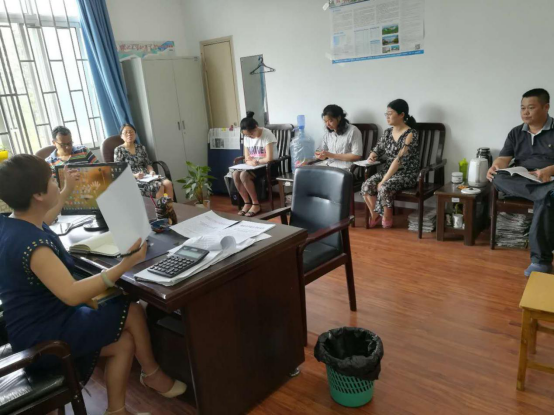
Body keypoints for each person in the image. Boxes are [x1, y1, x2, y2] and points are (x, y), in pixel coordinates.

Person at [0, 155, 187, 416]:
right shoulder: (34, 247)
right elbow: (71, 294)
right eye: (52, 181)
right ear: (38, 195)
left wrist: (66, 190)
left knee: (124, 343)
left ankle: (117, 410)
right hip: (44, 340)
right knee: (131, 309)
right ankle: (153, 374)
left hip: (29, 329)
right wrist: (127, 263)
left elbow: (46, 218)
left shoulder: (14, 224)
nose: (56, 184)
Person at [488, 88, 554, 277]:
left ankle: (540, 262)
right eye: (522, 108)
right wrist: (495, 166)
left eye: (531, 108)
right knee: (497, 177)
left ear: (546, 107)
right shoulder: (516, 132)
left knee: (546, 200)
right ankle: (546, 192)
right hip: (523, 178)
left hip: (548, 177)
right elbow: (504, 158)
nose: (525, 112)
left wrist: (549, 170)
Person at [361, 99, 420, 229]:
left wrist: (383, 180)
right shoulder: (388, 132)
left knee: (384, 187)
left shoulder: (411, 134)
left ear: (401, 115)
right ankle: (375, 215)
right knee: (366, 185)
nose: (387, 116)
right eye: (386, 114)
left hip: (406, 173)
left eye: (390, 113)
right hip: (388, 170)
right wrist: (372, 155)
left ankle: (387, 217)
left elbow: (398, 160)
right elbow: (378, 148)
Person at [232, 112, 278, 217]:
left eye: (251, 134)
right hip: (254, 166)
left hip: (269, 166)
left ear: (256, 127)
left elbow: (269, 158)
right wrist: (250, 162)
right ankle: (247, 203)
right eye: (247, 136)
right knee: (235, 174)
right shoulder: (247, 137)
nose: (250, 137)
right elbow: (247, 157)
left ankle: (256, 204)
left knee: (244, 175)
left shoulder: (267, 134)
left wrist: (256, 162)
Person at [114, 124, 174, 200]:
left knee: (168, 184)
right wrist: (135, 175)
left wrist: (151, 171)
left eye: (131, 132)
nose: (129, 134)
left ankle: (169, 207)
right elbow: (119, 170)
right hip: (131, 178)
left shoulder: (141, 147)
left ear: (135, 134)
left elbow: (147, 163)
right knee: (159, 186)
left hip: (146, 176)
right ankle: (160, 208)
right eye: (126, 132)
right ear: (121, 136)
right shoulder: (119, 150)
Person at [316, 105, 363, 170]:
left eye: (330, 121)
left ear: (339, 118)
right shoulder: (328, 134)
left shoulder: (353, 131)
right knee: (309, 171)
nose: (327, 124)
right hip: (329, 166)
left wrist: (332, 155)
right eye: (325, 121)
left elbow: (356, 156)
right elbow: (321, 150)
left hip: (346, 168)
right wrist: (319, 154)